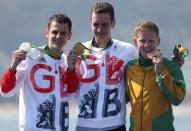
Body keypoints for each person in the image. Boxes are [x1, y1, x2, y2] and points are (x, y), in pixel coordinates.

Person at [0, 13, 78, 131]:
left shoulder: (67, 63)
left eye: (63, 33)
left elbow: (72, 94)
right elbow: (5, 91)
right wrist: (13, 66)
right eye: (54, 32)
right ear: (47, 33)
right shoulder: (30, 56)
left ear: (69, 35)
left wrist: (71, 70)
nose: (58, 36)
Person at [71, 2, 139, 131]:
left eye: (105, 24)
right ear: (90, 23)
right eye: (96, 24)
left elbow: (144, 75)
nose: (100, 29)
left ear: (113, 23)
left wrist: (172, 67)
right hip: (84, 125)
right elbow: (70, 86)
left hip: (116, 125)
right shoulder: (79, 50)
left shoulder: (128, 50)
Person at [124, 21, 186, 131]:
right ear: (135, 41)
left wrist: (160, 72)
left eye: (151, 41)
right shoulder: (129, 68)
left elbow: (177, 99)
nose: (147, 45)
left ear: (158, 41)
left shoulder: (171, 67)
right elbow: (123, 98)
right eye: (142, 41)